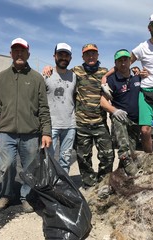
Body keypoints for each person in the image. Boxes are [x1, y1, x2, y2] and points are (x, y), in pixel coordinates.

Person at [0, 38, 52, 213]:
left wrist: (46, 132)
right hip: (6, 133)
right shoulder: (1, 77)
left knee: (30, 168)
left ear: (28, 53)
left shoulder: (37, 78)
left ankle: (26, 197)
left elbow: (44, 108)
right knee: (6, 165)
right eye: (15, 50)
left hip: (31, 133)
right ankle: (6, 195)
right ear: (11, 53)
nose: (19, 53)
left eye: (22, 50)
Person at [102, 12, 153, 153]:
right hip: (146, 92)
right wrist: (105, 76)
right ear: (149, 27)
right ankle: (149, 160)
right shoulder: (142, 47)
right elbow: (124, 64)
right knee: (144, 130)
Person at [43, 43, 115, 188]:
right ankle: (89, 184)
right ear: (82, 56)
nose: (91, 56)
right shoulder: (76, 71)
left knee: (108, 156)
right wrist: (48, 67)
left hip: (100, 122)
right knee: (83, 158)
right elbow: (60, 72)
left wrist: (137, 72)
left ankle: (103, 183)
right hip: (81, 124)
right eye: (87, 54)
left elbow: (120, 70)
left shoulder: (104, 72)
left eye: (93, 53)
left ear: (98, 55)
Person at [100, 49, 141, 175]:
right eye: (120, 61)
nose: (123, 63)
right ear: (115, 63)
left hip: (136, 121)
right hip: (121, 118)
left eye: (125, 60)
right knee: (125, 152)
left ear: (130, 61)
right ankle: (125, 158)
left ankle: (121, 176)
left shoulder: (138, 77)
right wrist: (114, 111)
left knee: (132, 150)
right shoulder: (112, 80)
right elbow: (103, 101)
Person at [45, 43, 76, 173]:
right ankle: (48, 187)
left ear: (70, 58)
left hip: (70, 125)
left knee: (66, 159)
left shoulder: (74, 76)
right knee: (48, 159)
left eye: (66, 55)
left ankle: (63, 186)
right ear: (54, 56)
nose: (63, 58)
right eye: (60, 55)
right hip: (51, 125)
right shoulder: (46, 75)